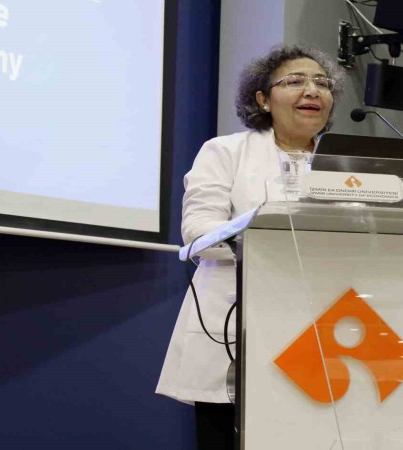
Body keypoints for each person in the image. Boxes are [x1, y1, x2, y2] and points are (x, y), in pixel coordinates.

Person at [156, 44, 345, 449]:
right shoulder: (225, 152)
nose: (312, 90)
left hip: (324, 332)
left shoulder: (349, 164)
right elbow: (198, 232)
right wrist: (268, 233)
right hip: (237, 331)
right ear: (263, 99)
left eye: (322, 83)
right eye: (295, 81)